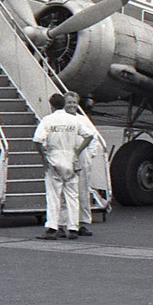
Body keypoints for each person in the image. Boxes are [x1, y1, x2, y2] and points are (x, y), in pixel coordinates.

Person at [32, 91, 96, 240]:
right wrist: (78, 151)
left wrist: (43, 157)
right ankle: (73, 228)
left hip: (54, 156)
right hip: (71, 157)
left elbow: (37, 140)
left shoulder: (48, 120)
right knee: (73, 195)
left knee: (54, 196)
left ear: (52, 106)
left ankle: (52, 228)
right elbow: (89, 136)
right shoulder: (74, 120)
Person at [57, 96, 107, 237]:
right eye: (69, 102)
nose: (72, 105)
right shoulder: (59, 119)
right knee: (62, 192)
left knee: (82, 191)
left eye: (74, 102)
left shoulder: (83, 120)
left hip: (81, 156)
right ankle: (61, 224)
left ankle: (82, 223)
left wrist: (89, 156)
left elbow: (94, 138)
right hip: (65, 155)